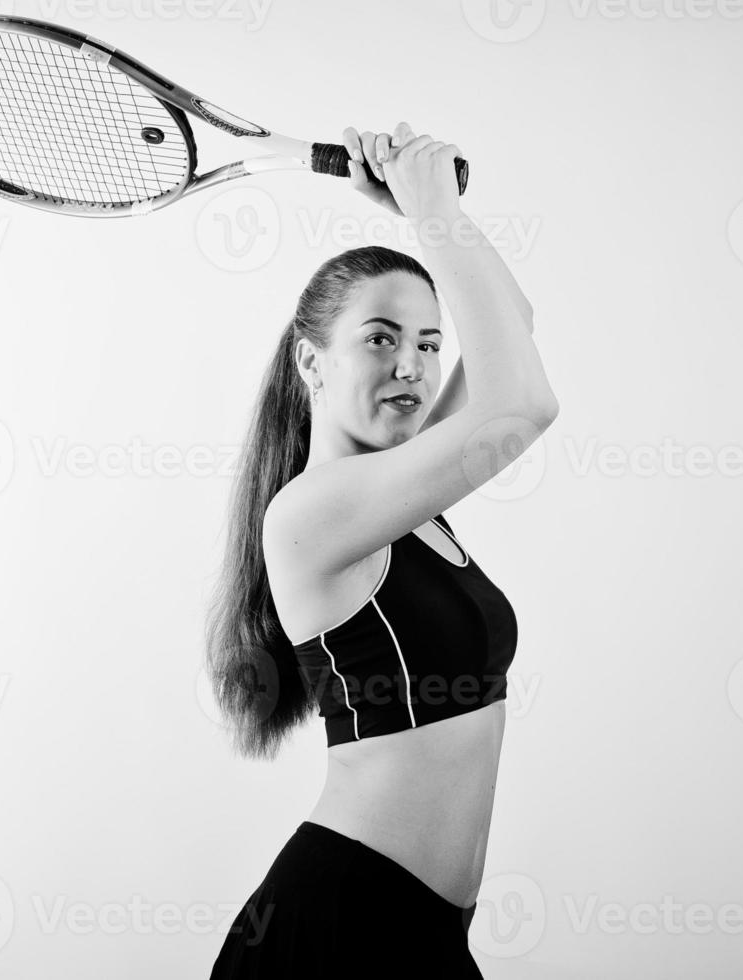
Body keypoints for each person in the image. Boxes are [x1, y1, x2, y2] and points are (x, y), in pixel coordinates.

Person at [204, 121, 559, 978]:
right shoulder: (310, 513)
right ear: (310, 363)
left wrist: (418, 213)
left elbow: (513, 323)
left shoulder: (405, 495)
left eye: (428, 344)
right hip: (340, 933)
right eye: (379, 339)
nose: (411, 366)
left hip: (419, 937)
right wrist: (432, 208)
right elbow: (521, 403)